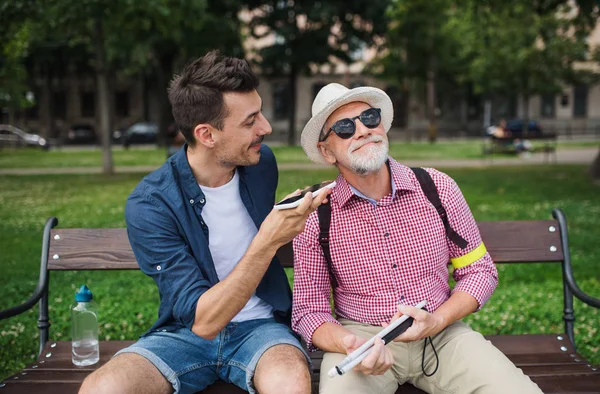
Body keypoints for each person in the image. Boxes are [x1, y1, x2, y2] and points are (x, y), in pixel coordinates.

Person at [79, 51, 329, 394]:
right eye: (250, 120)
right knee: (104, 388)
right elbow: (203, 321)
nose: (266, 128)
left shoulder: (261, 163)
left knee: (291, 382)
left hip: (262, 329)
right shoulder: (150, 204)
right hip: (184, 334)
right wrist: (269, 239)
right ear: (206, 134)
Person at [291, 83, 543, 394]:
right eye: (344, 127)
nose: (362, 131)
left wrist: (438, 320)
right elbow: (309, 310)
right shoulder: (317, 215)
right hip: (363, 339)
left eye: (369, 118)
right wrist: (348, 343)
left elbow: (479, 271)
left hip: (442, 334)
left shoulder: (438, 188)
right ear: (327, 151)